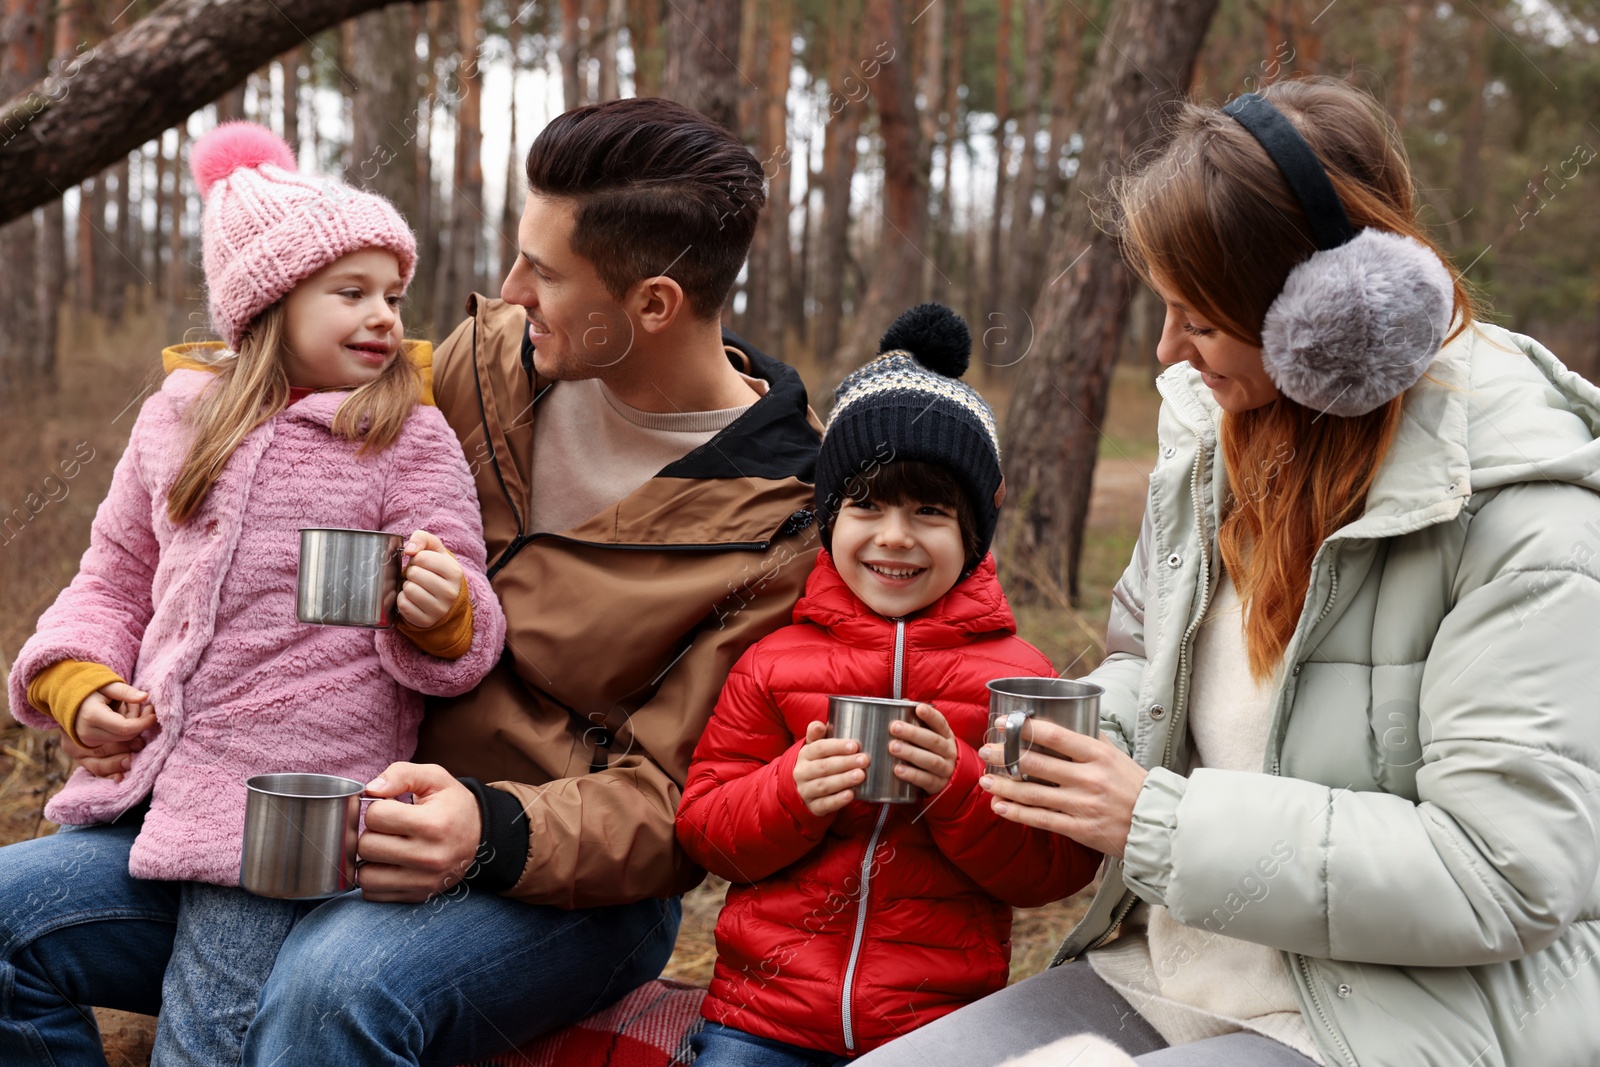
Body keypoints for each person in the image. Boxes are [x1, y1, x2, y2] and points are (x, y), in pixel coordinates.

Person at [1, 98, 823, 1065]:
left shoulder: (780, 522)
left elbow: (684, 803)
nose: (507, 289)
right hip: (303, 810)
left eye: (545, 272)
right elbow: (248, 451)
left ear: (651, 304)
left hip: (544, 881)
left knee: (331, 989)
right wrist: (117, 689)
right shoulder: (476, 372)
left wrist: (489, 829)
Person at [856, 77, 1600, 1067]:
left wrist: (1157, 820)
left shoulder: (1527, 518)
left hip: (1381, 1019)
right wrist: (1073, 737)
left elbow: (1499, 873)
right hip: (1163, 969)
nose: (1167, 351)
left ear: (1334, 317)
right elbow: (1144, 659)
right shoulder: (1211, 451)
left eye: (1197, 319)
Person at [1, 123, 507, 1066]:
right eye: (350, 293)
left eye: (393, 294)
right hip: (149, 801)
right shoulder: (176, 422)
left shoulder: (407, 433)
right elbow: (109, 578)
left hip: (285, 824)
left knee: (208, 1039)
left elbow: (472, 612)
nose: (385, 317)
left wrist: (444, 613)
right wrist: (77, 683)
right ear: (268, 304)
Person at [677, 304, 1102, 1065]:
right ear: (829, 514)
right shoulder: (774, 661)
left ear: (975, 530)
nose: (896, 536)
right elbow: (707, 831)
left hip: (941, 1029)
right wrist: (789, 791)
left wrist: (961, 788)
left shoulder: (1020, 679)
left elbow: (1055, 867)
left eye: (931, 511)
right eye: (866, 505)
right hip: (763, 1017)